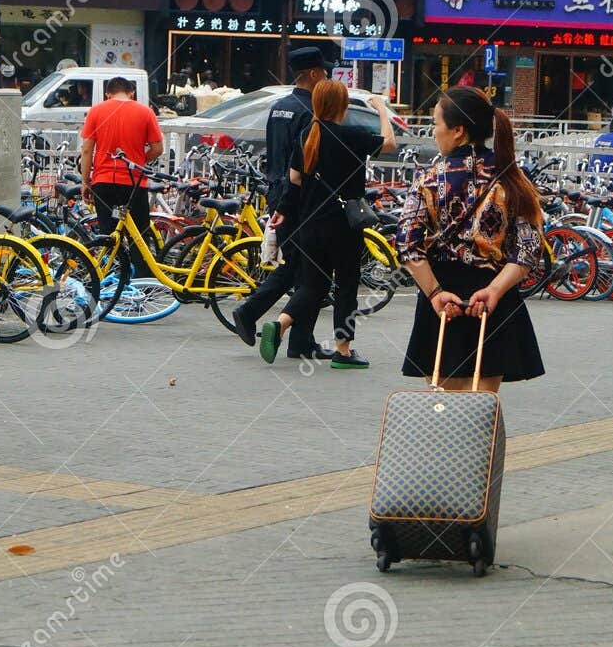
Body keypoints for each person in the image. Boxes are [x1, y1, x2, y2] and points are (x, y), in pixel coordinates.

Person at [397, 86, 545, 392]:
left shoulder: (429, 179)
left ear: (458, 131)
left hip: (441, 299)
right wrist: (494, 290)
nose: (434, 131)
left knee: (442, 411)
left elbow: (407, 244)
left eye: (436, 123)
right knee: (482, 411)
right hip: (494, 298)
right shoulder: (512, 176)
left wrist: (436, 293)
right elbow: (529, 250)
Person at [258, 82, 395, 369]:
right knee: (346, 285)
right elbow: (390, 143)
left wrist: (283, 210)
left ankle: (281, 324)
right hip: (344, 225)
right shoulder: (352, 135)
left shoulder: (307, 135)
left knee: (313, 285)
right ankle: (343, 351)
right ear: (343, 106)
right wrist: (382, 109)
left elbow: (294, 181)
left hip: (309, 223)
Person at [228, 45, 330, 356]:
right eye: (324, 72)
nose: (326, 77)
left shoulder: (279, 107)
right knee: (307, 269)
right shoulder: (311, 111)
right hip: (298, 198)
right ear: (313, 74)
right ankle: (250, 312)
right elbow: (304, 163)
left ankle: (300, 342)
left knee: (302, 269)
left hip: (277, 193)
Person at [79, 76, 163, 277]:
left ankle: (110, 280)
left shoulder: (96, 111)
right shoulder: (145, 112)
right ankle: (142, 283)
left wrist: (85, 181)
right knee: (139, 236)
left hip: (103, 182)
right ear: (131, 93)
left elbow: (86, 150)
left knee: (108, 234)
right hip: (134, 183)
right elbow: (158, 148)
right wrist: (138, 162)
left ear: (108, 94)